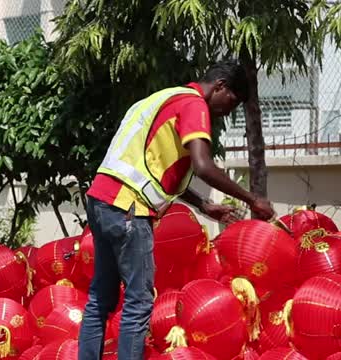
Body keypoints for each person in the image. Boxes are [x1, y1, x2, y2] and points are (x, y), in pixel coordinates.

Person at [77, 59, 276, 360]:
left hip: (101, 200)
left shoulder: (163, 98)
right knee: (138, 302)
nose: (227, 111)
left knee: (100, 298)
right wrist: (252, 199)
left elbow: (157, 168)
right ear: (220, 86)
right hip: (130, 208)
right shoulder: (194, 106)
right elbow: (203, 165)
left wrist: (204, 205)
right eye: (231, 101)